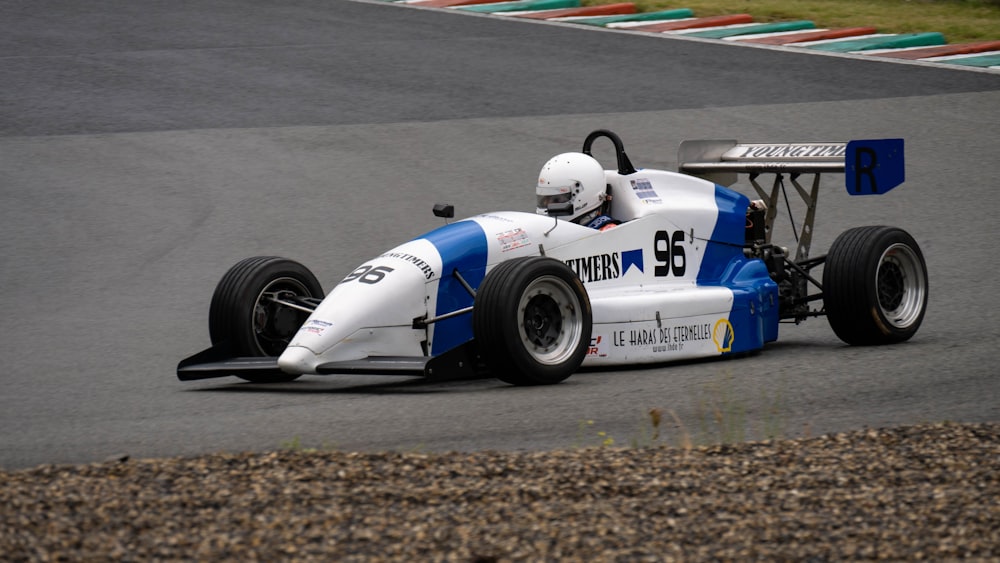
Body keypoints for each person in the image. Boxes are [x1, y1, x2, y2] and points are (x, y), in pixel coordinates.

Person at [535, 152, 619, 231]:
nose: (548, 206)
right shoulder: (547, 231)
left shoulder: (609, 233)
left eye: (556, 199)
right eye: (544, 200)